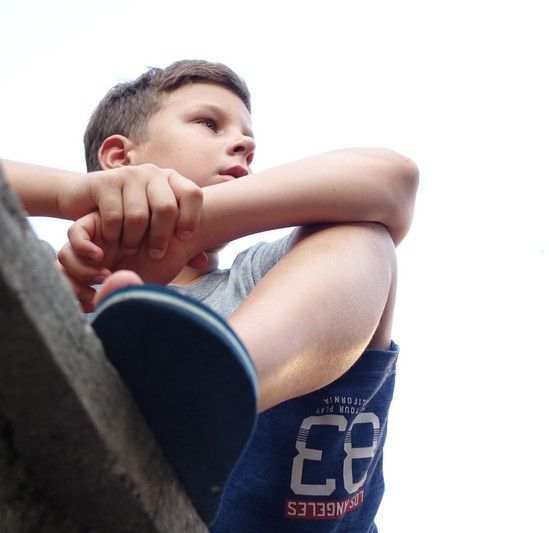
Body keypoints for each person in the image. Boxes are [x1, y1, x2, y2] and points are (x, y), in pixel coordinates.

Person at [3, 59, 418, 532]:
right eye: (209, 123)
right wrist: (70, 193)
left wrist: (191, 224)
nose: (245, 144)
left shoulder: (270, 276)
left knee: (362, 233)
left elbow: (392, 180)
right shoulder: (60, 282)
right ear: (119, 157)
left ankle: (223, 388)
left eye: (248, 136)